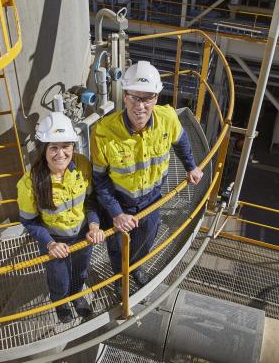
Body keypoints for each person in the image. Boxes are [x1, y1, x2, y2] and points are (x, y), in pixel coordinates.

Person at [90, 61, 203, 296]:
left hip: (152, 200)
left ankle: (137, 269)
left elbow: (181, 141)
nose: (140, 106)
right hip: (120, 203)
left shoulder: (168, 119)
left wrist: (191, 167)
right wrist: (116, 214)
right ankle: (119, 277)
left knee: (147, 239)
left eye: (148, 98)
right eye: (134, 97)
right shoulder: (103, 131)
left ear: (156, 98)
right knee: (117, 246)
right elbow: (100, 181)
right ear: (125, 96)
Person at [17, 112, 105, 323]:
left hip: (83, 236)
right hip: (55, 242)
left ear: (73, 147)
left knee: (81, 272)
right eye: (53, 148)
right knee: (58, 279)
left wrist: (93, 226)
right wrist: (50, 244)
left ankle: (76, 297)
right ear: (43, 150)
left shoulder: (83, 165)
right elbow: (29, 221)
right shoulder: (29, 183)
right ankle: (60, 302)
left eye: (66, 146)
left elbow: (91, 201)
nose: (61, 154)